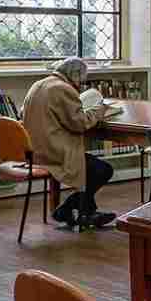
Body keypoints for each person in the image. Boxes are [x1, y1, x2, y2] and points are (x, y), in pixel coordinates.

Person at [22, 57, 115, 228]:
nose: (81, 84)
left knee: (91, 167)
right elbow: (80, 123)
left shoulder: (39, 84)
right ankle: (66, 209)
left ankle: (87, 213)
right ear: (75, 75)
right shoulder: (62, 89)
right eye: (81, 79)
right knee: (102, 169)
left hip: (35, 149)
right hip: (54, 153)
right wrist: (99, 109)